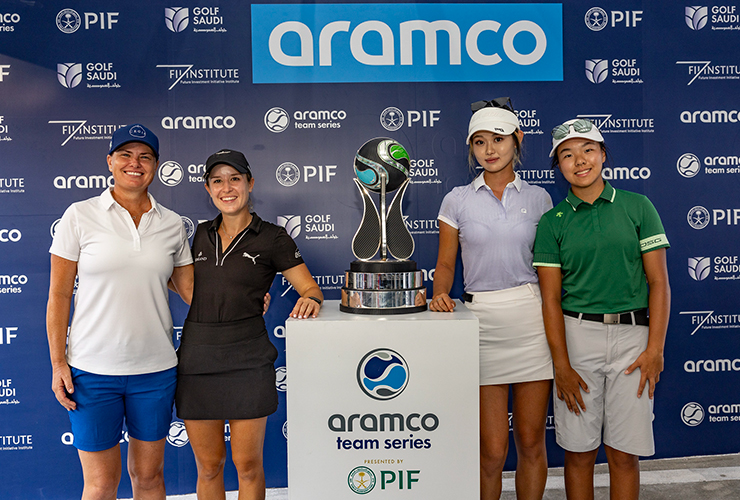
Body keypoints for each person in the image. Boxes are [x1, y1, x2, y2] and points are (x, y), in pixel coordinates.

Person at [46, 124, 194, 500]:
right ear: (110, 161)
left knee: (149, 479)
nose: (135, 163)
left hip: (155, 371)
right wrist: (58, 363)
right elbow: (59, 294)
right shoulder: (79, 215)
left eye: (145, 157)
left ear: (156, 166)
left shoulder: (172, 224)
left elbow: (193, 292)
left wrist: (244, 298)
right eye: (125, 155)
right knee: (100, 485)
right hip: (92, 373)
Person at [533, 119, 670, 499]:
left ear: (604, 154)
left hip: (634, 339)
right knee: (579, 453)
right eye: (567, 154)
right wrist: (561, 364)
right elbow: (550, 299)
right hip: (576, 340)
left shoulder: (638, 206)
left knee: (624, 455)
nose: (579, 160)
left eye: (587, 150)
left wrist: (655, 349)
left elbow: (658, 283)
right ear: (558, 166)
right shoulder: (551, 222)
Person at [175, 149, 323, 500]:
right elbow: (175, 281)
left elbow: (310, 288)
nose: (227, 188)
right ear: (208, 189)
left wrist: (310, 300)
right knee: (209, 466)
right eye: (217, 181)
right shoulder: (194, 236)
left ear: (250, 183)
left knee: (248, 465)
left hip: (248, 358)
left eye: (235, 179)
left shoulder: (273, 237)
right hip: (197, 359)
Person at [430, 98, 554, 500]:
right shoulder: (456, 200)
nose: (490, 149)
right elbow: (446, 264)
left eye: (498, 139)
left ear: (517, 140)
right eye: (480, 142)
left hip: (532, 321)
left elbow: (552, 268)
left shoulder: (540, 199)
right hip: (481, 323)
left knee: (532, 444)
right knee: (491, 451)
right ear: (471, 149)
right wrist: (439, 294)